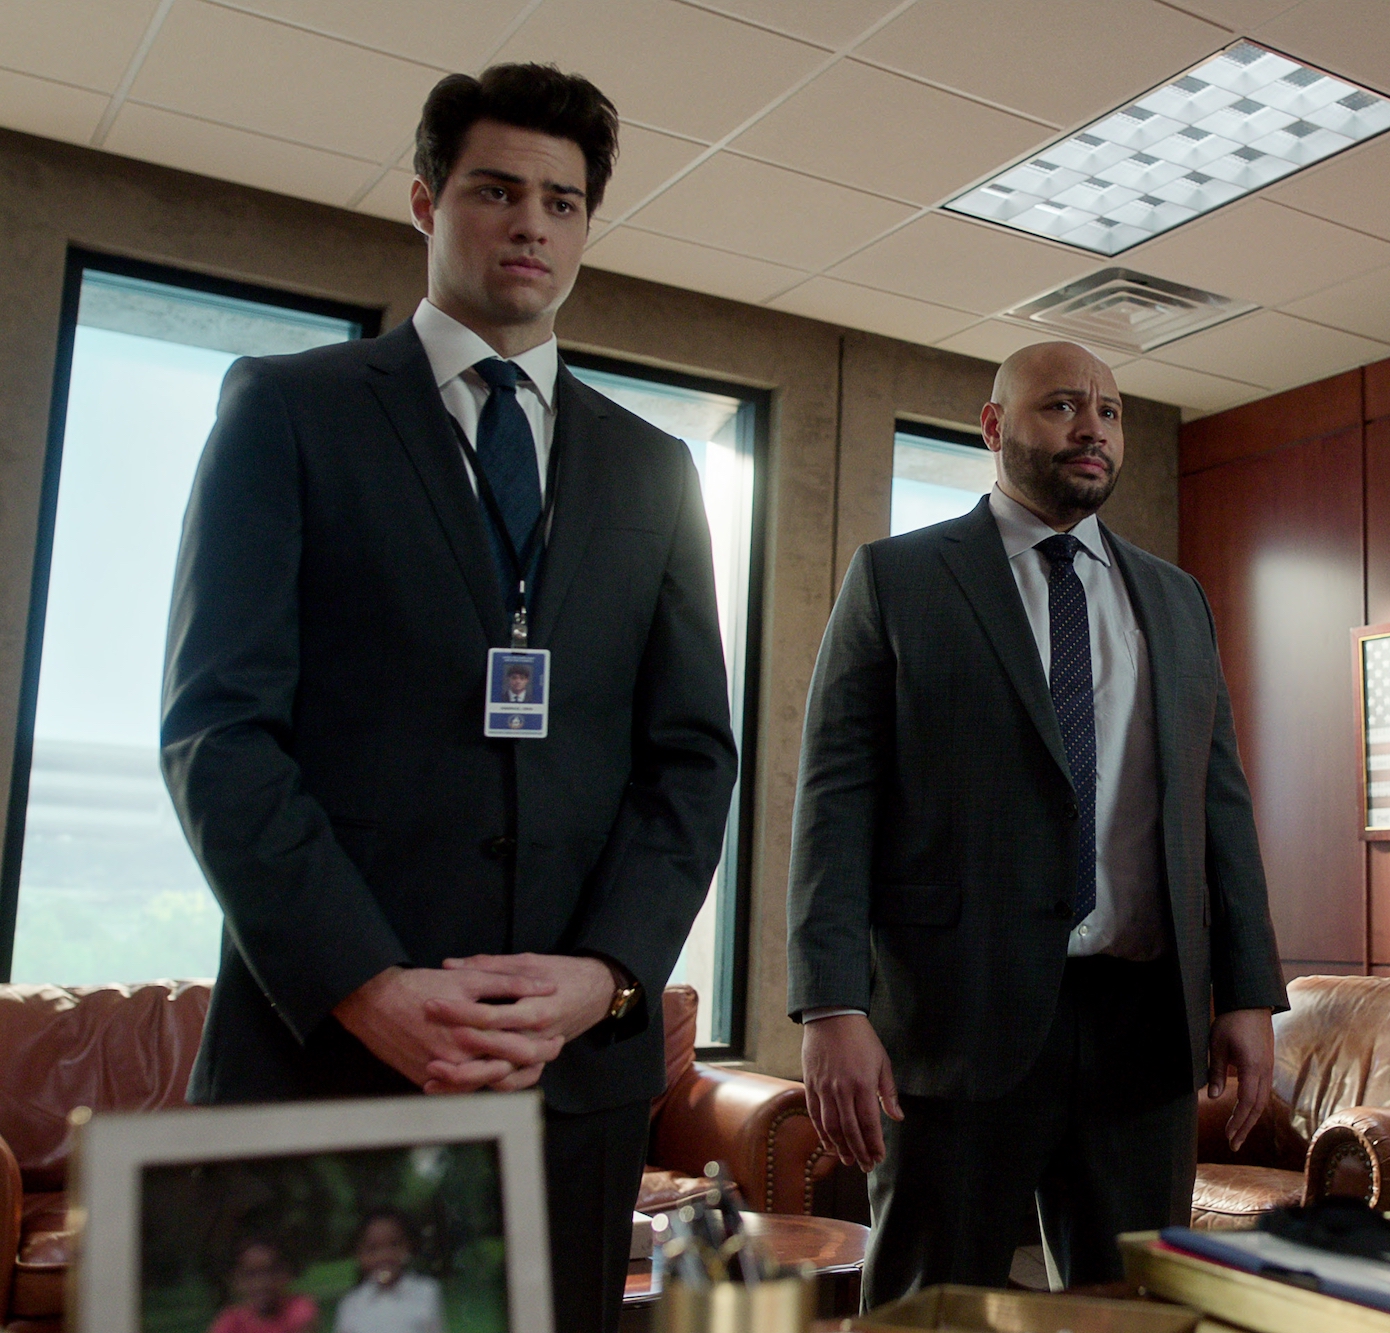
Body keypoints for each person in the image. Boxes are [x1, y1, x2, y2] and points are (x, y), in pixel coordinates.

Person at [162, 63, 738, 1333]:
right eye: (494, 189)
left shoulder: (655, 473)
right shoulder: (288, 411)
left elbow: (691, 761)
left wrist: (606, 974)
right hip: (330, 1059)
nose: (531, 222)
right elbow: (220, 734)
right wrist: (369, 984)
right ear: (425, 203)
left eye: (563, 200)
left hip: (571, 1082)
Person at [788, 341, 1286, 1304]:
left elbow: (1218, 803)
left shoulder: (1174, 599)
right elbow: (834, 803)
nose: (1092, 426)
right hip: (957, 1018)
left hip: (1142, 1027)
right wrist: (832, 1003)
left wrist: (1249, 990)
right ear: (994, 426)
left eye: (1109, 409)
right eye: (1062, 406)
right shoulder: (899, 579)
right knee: (932, 1307)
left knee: (1140, 1308)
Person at [334, 1210, 443, 1333]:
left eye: (394, 1245)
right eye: (372, 1249)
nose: (384, 1256)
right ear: (359, 1255)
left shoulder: (425, 1292)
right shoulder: (351, 1305)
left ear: (407, 1247)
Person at [207, 1238, 317, 1333]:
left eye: (271, 1272)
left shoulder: (298, 1309)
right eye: (251, 1275)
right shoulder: (231, 1320)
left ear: (286, 1274)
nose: (261, 1283)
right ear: (237, 1282)